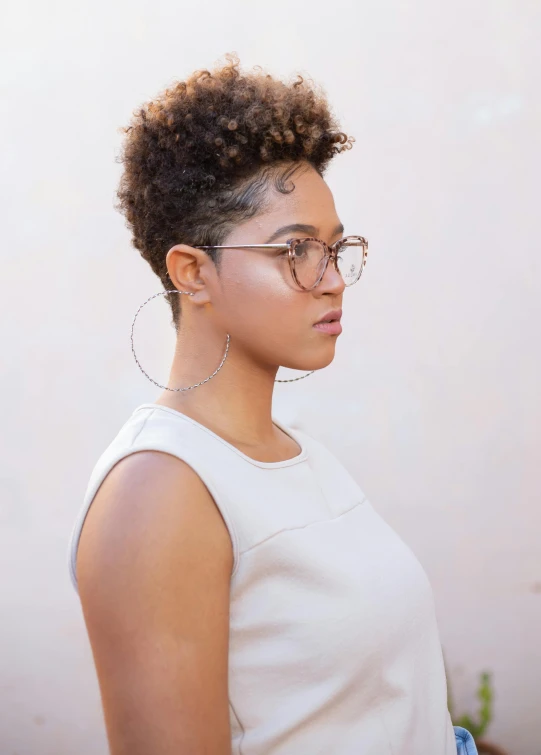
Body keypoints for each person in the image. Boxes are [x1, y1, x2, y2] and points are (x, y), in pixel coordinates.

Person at [67, 54, 477, 755]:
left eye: (334, 246)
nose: (331, 279)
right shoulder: (159, 492)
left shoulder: (294, 450)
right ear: (192, 272)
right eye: (295, 250)